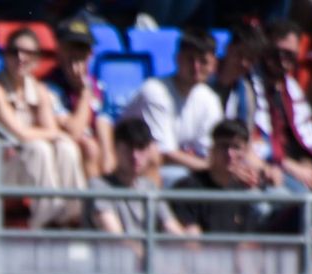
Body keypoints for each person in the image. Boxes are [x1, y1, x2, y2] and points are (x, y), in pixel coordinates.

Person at [0, 28, 87, 227]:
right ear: (5, 55)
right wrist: (54, 133)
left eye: (27, 53)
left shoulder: (39, 89)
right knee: (39, 149)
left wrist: (56, 134)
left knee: (66, 147)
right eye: (14, 52)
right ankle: (47, 221)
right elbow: (19, 134)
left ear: (37, 59)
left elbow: (51, 130)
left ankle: (73, 216)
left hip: (21, 166)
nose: (20, 57)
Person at [121, 29, 222, 185]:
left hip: (186, 168)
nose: (196, 67)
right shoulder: (154, 91)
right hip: (138, 168)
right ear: (177, 59)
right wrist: (212, 169)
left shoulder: (210, 99)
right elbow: (164, 154)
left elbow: (208, 151)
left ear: (213, 65)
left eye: (203, 61)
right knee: (185, 179)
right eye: (190, 59)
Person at [246, 20, 312, 193]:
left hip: (299, 167)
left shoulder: (292, 89)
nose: (282, 61)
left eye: (289, 55)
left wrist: (308, 164)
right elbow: (253, 143)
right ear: (265, 51)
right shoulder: (249, 85)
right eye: (276, 54)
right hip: (269, 167)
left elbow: (308, 140)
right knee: (301, 200)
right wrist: (290, 166)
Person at [170, 118, 278, 233]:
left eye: (236, 147)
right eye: (224, 146)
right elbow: (191, 243)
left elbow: (247, 244)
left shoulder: (243, 195)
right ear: (212, 149)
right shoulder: (188, 189)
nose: (229, 154)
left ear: (246, 152)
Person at [87, 116, 186, 234]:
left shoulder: (150, 187)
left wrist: (193, 249)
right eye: (128, 148)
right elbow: (115, 238)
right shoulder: (98, 186)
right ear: (115, 148)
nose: (135, 156)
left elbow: (172, 228)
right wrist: (146, 252)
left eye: (141, 148)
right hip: (114, 252)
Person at [46, 16, 115, 180]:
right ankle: (96, 203)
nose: (76, 55)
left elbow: (104, 125)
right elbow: (75, 131)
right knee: (89, 147)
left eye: (82, 49)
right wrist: (84, 93)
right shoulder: (50, 87)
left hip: (97, 149)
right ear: (60, 50)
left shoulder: (99, 87)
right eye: (71, 48)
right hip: (64, 151)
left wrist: (108, 159)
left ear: (90, 54)